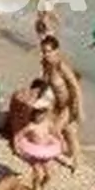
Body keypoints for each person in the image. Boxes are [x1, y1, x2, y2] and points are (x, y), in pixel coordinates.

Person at [40, 35, 83, 170]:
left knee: (56, 130)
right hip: (58, 103)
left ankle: (66, 157)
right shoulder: (45, 63)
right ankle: (75, 159)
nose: (46, 54)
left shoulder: (62, 67)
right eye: (43, 51)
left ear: (56, 50)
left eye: (49, 51)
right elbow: (45, 82)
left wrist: (80, 109)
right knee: (70, 132)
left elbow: (76, 87)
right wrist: (40, 96)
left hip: (70, 104)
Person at [14, 105, 63, 190]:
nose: (40, 117)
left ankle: (41, 186)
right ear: (34, 115)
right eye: (38, 114)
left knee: (49, 175)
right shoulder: (31, 126)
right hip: (34, 155)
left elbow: (56, 132)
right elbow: (18, 136)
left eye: (42, 114)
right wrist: (17, 148)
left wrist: (61, 140)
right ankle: (35, 189)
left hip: (46, 154)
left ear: (45, 114)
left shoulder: (47, 123)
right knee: (38, 174)